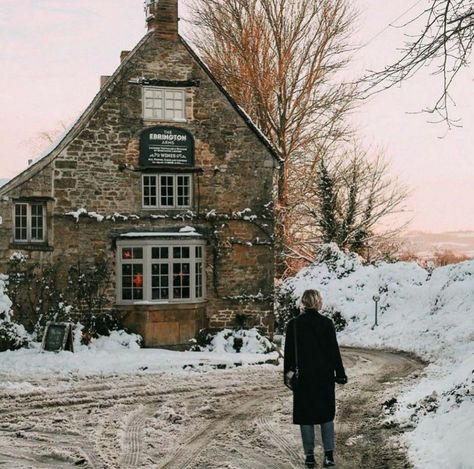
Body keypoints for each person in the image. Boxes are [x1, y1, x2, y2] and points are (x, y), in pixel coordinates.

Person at [284, 289, 347, 468]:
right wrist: (340, 373)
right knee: (326, 416)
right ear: (318, 302)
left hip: (303, 378)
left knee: (306, 416)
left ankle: (310, 456)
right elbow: (334, 351)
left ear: (303, 303)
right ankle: (328, 456)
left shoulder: (294, 325)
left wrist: (287, 377)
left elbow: (289, 355)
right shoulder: (326, 324)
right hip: (323, 377)